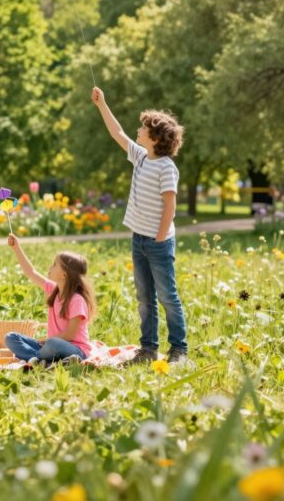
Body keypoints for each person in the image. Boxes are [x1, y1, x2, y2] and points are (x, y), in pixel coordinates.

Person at [91, 86, 188, 365]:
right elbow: (117, 133)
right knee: (145, 298)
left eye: (143, 128)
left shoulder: (166, 167)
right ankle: (148, 350)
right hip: (139, 240)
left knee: (167, 297)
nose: (138, 130)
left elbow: (170, 205)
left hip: (158, 243)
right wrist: (102, 105)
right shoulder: (141, 157)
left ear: (155, 137)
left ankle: (179, 350)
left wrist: (159, 237)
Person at [3, 234, 94, 365]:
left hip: (75, 350)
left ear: (64, 274)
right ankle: (42, 360)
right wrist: (16, 247)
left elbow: (70, 335)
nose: (50, 267)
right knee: (11, 337)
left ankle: (36, 359)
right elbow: (31, 272)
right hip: (51, 346)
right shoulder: (53, 290)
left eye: (54, 265)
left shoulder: (77, 300)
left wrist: (47, 340)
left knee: (52, 344)